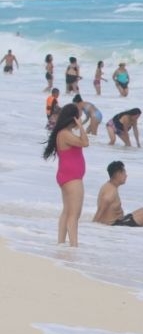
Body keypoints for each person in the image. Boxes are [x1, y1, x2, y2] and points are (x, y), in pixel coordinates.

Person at [43, 103, 89, 247]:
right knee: (74, 214)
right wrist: (81, 126)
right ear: (73, 118)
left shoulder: (63, 133)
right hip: (71, 177)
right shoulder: (65, 134)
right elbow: (85, 142)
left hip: (67, 176)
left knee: (67, 211)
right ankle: (74, 245)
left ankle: (61, 243)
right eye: (78, 117)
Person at [93, 161, 143, 227]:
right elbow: (100, 211)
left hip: (119, 221)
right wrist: (93, 227)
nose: (126, 176)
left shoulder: (110, 186)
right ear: (118, 174)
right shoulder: (110, 192)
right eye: (124, 173)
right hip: (114, 225)